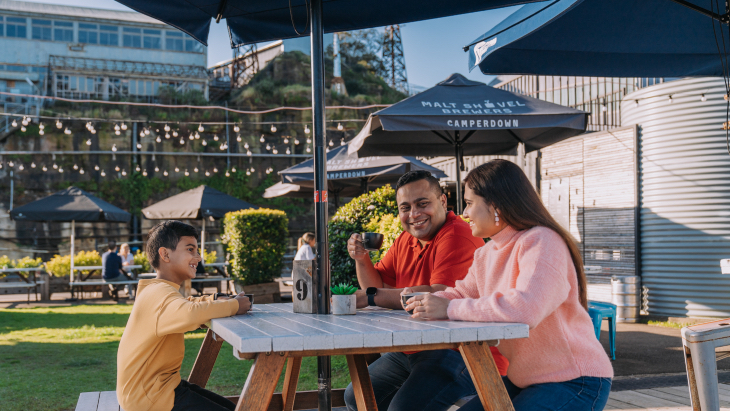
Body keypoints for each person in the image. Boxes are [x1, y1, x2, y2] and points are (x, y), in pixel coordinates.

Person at [404, 159, 613, 411]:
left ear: (496, 205)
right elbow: (460, 294)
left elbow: (525, 309)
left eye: (470, 203)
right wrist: (424, 302)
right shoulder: (487, 252)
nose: (465, 213)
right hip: (525, 379)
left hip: (575, 380)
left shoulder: (542, 241)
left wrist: (447, 309)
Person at [343, 170, 508, 411]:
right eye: (405, 207)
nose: (414, 214)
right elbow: (377, 285)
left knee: (402, 408)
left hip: (463, 350)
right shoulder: (405, 239)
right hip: (416, 347)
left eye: (422, 204)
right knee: (356, 397)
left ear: (442, 201)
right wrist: (361, 259)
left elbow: (437, 295)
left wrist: (370, 297)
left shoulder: (457, 234)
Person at [117, 220, 252, 411]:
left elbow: (187, 304)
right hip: (150, 397)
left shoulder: (158, 290)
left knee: (231, 407)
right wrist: (234, 305)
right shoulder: (159, 294)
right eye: (190, 250)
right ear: (164, 254)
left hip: (159, 388)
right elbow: (189, 314)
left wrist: (214, 299)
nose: (198, 257)